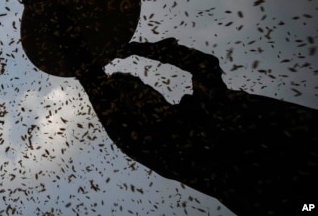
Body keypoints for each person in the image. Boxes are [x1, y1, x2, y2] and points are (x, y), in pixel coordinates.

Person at [76, 38, 318, 216]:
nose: (135, 90)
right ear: (122, 107)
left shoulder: (206, 102)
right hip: (284, 198)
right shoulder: (150, 143)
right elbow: (93, 81)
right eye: (123, 91)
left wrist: (135, 48)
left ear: (152, 90)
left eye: (134, 83)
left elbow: (204, 63)